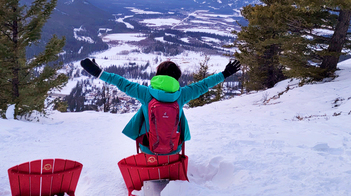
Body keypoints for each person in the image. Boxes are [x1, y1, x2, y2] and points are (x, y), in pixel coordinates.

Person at [80, 58, 242, 155]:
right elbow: (203, 85)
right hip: (175, 149)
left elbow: (121, 82)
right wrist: (225, 74)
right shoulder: (183, 94)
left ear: (157, 75)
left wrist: (98, 72)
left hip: (148, 149)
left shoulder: (145, 93)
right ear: (177, 78)